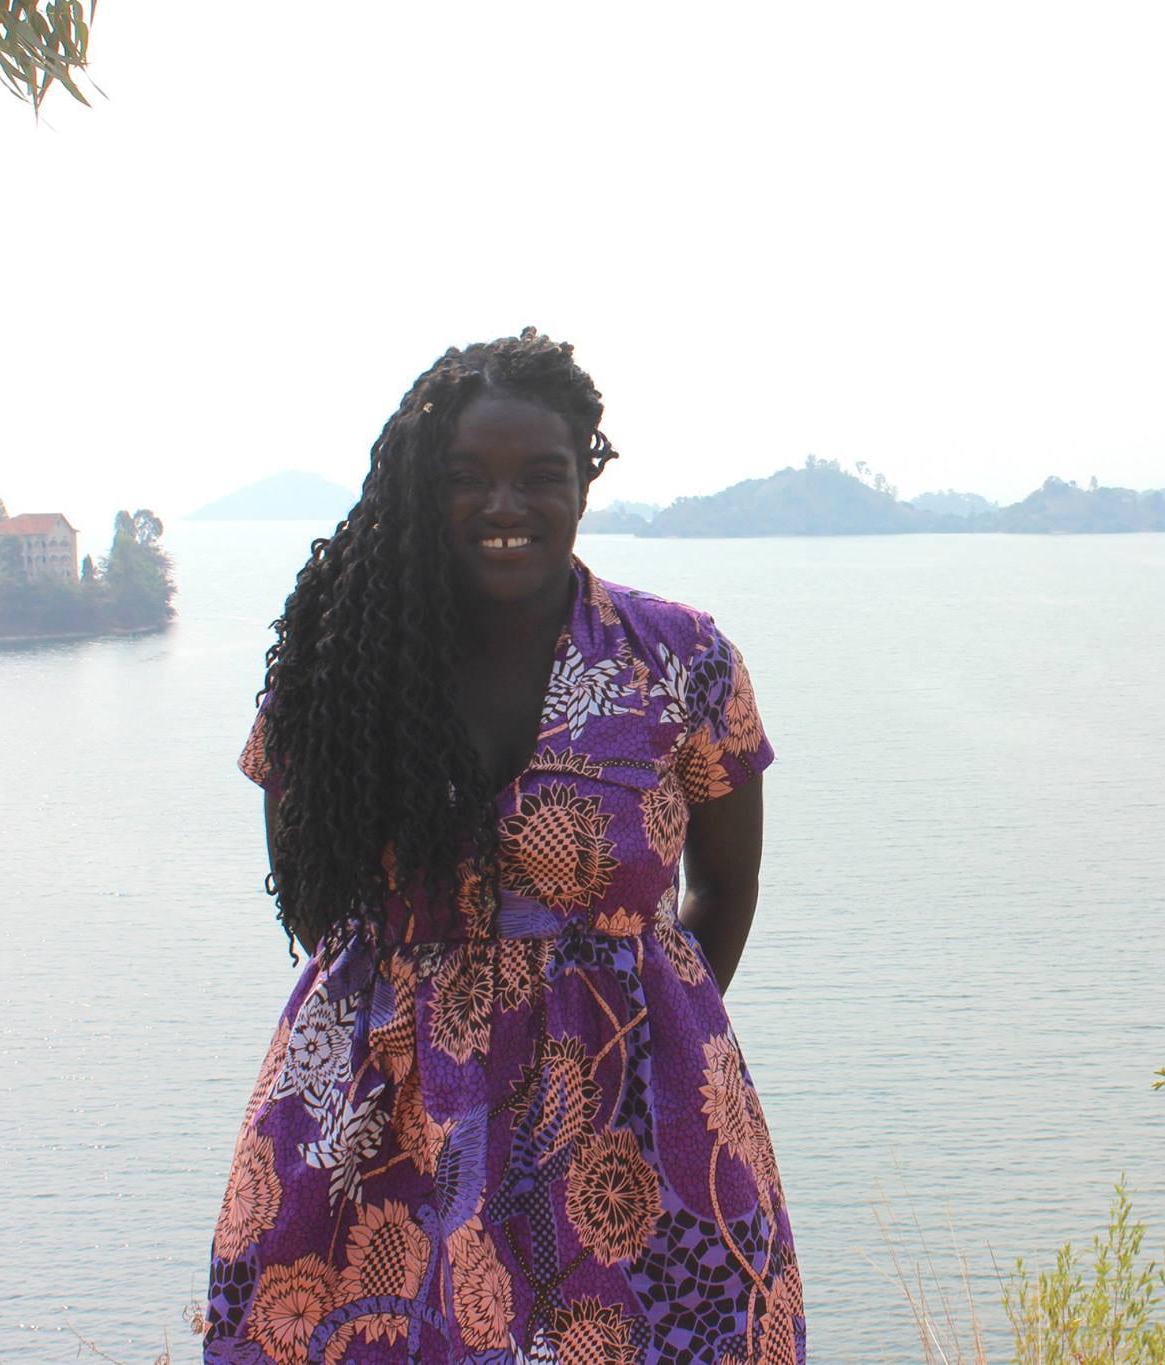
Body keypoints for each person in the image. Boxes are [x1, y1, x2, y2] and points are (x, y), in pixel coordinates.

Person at [202, 329, 803, 1365]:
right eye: (465, 479)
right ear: (416, 490)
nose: (503, 506)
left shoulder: (682, 659)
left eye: (539, 476)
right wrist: (426, 999)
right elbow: (310, 895)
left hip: (632, 1116)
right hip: (381, 1118)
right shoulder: (339, 664)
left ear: (586, 480)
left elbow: (728, 885)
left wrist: (653, 1024)